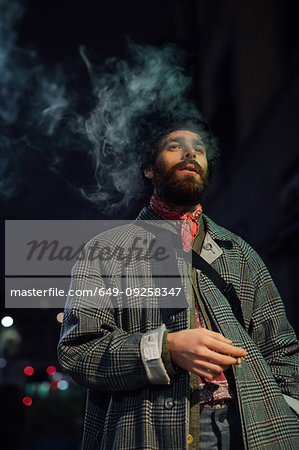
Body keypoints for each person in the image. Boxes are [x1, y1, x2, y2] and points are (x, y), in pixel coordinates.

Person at [58, 116, 299, 449]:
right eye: (175, 147)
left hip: (255, 430)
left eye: (198, 149)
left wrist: (287, 413)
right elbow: (78, 351)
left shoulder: (239, 252)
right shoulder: (106, 250)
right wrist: (165, 348)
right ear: (150, 170)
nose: (190, 154)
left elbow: (283, 349)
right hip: (146, 433)